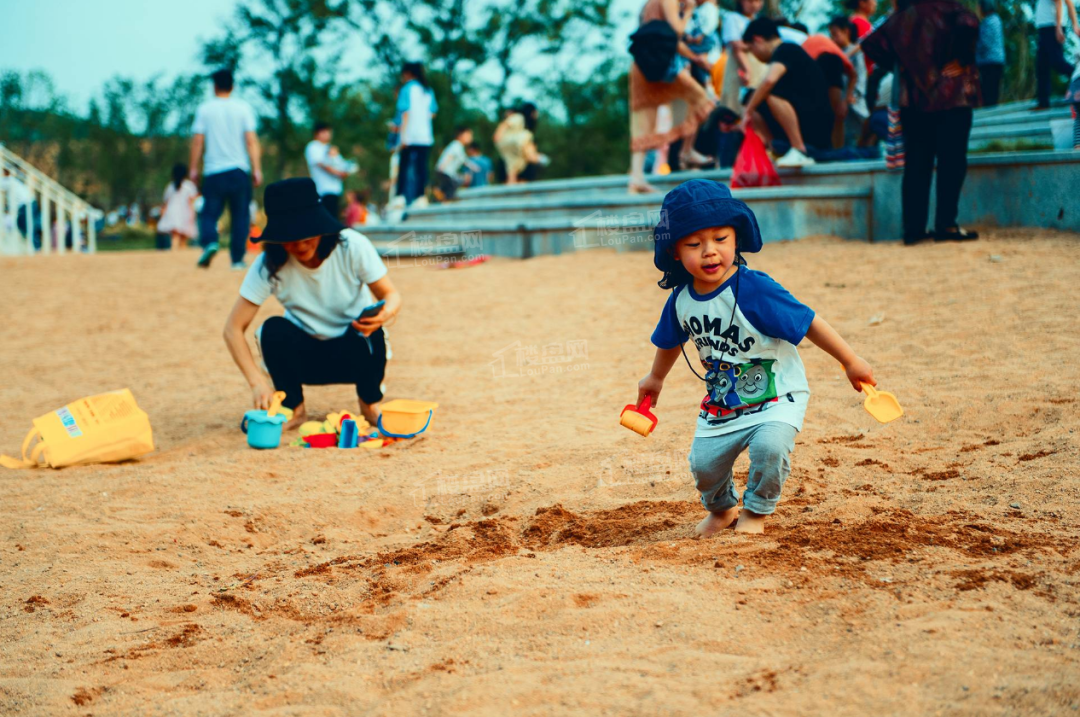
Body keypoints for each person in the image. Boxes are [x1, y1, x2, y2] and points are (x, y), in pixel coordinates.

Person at [637, 180, 875, 535]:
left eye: (720, 239)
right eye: (693, 244)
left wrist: (850, 360)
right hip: (722, 403)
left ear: (737, 238)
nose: (709, 252)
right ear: (674, 251)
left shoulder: (754, 288)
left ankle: (756, 512)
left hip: (777, 396)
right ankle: (722, 511)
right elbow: (671, 340)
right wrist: (655, 378)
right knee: (704, 466)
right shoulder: (681, 299)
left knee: (770, 447)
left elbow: (808, 321)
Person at [224, 178, 402, 431]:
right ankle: (295, 410)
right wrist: (257, 383)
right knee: (272, 330)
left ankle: (369, 405)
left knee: (372, 335)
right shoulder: (269, 264)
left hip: (354, 351)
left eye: (306, 234)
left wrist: (385, 314)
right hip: (304, 357)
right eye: (288, 237)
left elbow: (392, 295)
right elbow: (232, 329)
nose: (299, 244)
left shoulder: (352, 245)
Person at [862, 0, 982, 244]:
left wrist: (904, 65)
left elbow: (871, 44)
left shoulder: (905, 14)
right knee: (952, 162)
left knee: (917, 165)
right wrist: (963, 59)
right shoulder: (950, 7)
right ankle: (946, 225)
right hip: (951, 95)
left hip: (914, 99)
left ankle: (913, 230)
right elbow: (969, 23)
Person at [628, 0, 716, 193]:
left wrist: (695, 59)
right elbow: (677, 31)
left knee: (645, 118)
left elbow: (667, 39)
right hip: (659, 66)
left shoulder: (650, 5)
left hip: (647, 63)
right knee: (701, 99)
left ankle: (638, 177)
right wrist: (689, 9)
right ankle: (685, 152)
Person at [190, 69, 262, 271]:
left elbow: (197, 141)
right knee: (240, 215)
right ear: (233, 86)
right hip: (239, 170)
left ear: (214, 86)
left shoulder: (205, 109)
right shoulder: (243, 108)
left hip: (214, 171)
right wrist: (256, 168)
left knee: (209, 213)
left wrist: (193, 168)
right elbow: (251, 140)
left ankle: (210, 242)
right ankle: (237, 259)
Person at [740, 18, 834, 166]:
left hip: (817, 123)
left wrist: (747, 111)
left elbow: (769, 81)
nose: (754, 56)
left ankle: (799, 150)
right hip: (803, 118)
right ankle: (776, 150)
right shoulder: (783, 53)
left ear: (757, 40)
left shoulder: (787, 49)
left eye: (751, 50)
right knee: (750, 96)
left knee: (769, 93)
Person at [803, 32, 860, 148]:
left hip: (826, 62)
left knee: (835, 113)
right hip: (822, 62)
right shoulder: (810, 47)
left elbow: (853, 75)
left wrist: (846, 100)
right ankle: (832, 148)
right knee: (834, 114)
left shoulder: (829, 52)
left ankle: (834, 149)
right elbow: (853, 75)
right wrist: (845, 100)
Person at [395, 62, 438, 205]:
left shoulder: (407, 89)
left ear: (407, 73)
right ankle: (421, 197)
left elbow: (404, 113)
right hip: (425, 135)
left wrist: (402, 135)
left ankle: (399, 196)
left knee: (404, 166)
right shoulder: (428, 90)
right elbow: (432, 113)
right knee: (422, 167)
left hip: (410, 134)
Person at [827, 17, 871, 145]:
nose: (833, 38)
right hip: (840, 100)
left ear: (846, 32)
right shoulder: (835, 54)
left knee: (858, 134)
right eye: (831, 35)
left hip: (854, 100)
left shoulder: (856, 53)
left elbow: (861, 76)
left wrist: (853, 95)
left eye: (835, 34)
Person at [718, 0, 767, 115]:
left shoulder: (758, 21)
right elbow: (736, 46)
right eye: (750, 1)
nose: (754, 4)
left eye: (758, 1)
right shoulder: (733, 18)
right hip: (739, 69)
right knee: (735, 107)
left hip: (758, 70)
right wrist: (747, 69)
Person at [1034, 0, 1080, 110]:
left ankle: (1078, 77)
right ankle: (1043, 102)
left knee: (1057, 62)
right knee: (1042, 65)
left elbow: (1059, 2)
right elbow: (1069, 3)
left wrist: (1058, 27)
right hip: (1046, 28)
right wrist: (1075, 25)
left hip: (1051, 27)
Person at [304, 122, 350, 220]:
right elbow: (322, 164)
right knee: (327, 219)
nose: (328, 134)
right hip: (323, 189)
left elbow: (342, 166)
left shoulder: (331, 148)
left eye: (329, 132)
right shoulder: (313, 146)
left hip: (336, 190)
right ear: (317, 133)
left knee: (334, 218)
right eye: (324, 132)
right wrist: (338, 173)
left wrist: (344, 172)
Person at [158, 163, 199, 249]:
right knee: (183, 240)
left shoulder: (170, 186)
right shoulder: (189, 186)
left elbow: (165, 204)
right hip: (184, 213)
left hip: (172, 214)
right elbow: (191, 203)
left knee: (174, 239)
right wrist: (192, 216)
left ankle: (174, 255)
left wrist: (162, 216)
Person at [975, 0, 1005, 107]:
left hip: (989, 61)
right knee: (991, 91)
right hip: (994, 60)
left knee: (988, 92)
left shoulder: (989, 21)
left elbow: (984, 43)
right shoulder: (995, 20)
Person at [495, 113, 539, 184]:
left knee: (512, 171)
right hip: (513, 147)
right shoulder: (519, 118)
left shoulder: (520, 130)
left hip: (515, 156)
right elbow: (503, 127)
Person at [434, 126, 476, 200]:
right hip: (445, 171)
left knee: (448, 186)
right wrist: (442, 167)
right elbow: (450, 156)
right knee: (451, 187)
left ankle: (440, 194)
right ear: (460, 136)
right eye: (468, 135)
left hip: (446, 172)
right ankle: (444, 197)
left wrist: (473, 166)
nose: (470, 138)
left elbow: (464, 160)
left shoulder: (457, 146)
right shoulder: (456, 145)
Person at [848, 0, 879, 75]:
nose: (875, 3)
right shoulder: (860, 23)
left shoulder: (851, 21)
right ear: (862, 3)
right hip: (862, 75)